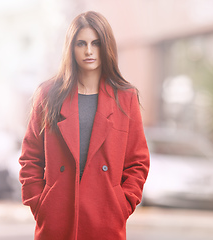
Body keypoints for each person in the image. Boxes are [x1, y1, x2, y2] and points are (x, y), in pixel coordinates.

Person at [18, 11, 150, 240]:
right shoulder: (48, 95)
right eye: (81, 43)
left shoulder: (125, 97)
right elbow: (30, 157)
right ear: (71, 48)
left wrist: (121, 204)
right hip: (57, 221)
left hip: (105, 220)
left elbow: (138, 162)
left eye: (95, 43)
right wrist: (41, 204)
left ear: (106, 46)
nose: (89, 51)